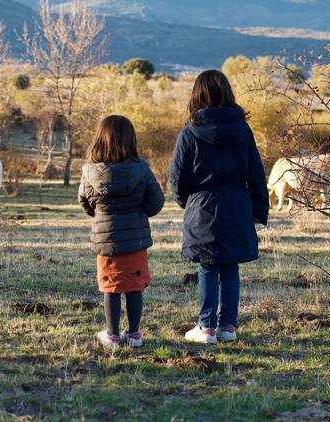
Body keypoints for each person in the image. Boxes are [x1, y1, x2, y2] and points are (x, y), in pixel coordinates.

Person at [169, 70, 269, 345]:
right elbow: (256, 172)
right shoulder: (243, 129)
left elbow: (177, 177)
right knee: (230, 267)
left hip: (203, 206)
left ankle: (206, 327)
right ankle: (228, 327)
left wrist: (188, 203)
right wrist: (259, 209)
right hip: (238, 205)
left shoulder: (190, 131)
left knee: (208, 267)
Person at [78, 115, 165, 349]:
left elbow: (85, 203)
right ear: (131, 140)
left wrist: (101, 215)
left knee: (111, 287)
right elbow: (156, 203)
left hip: (107, 242)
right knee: (134, 286)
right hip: (135, 240)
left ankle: (112, 335)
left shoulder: (89, 173)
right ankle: (135, 334)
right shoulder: (142, 170)